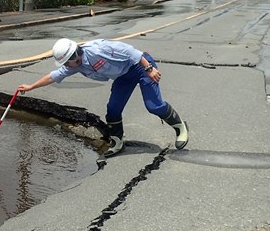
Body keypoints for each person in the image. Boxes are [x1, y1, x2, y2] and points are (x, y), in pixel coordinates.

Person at [18, 38, 189, 157]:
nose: (65, 66)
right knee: (113, 109)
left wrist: (149, 68)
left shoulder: (98, 50)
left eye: (65, 62)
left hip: (139, 66)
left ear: (73, 57)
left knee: (154, 106)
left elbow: (131, 52)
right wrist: (31, 86)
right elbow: (54, 76)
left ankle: (180, 127)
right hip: (123, 76)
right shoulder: (75, 66)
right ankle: (117, 142)